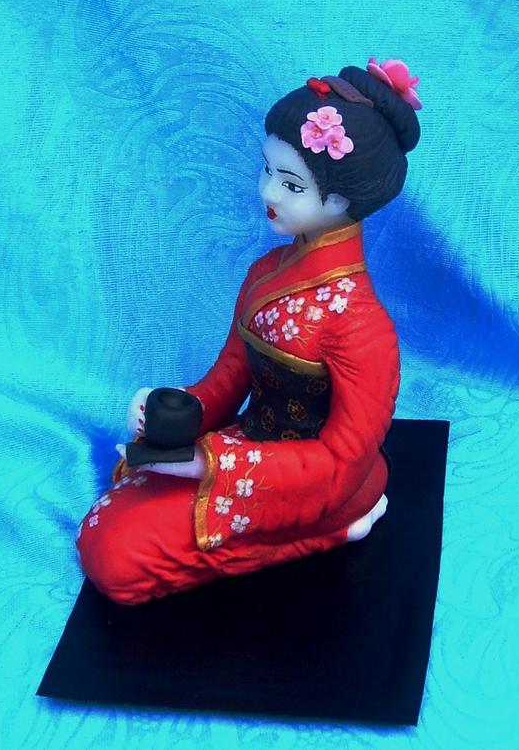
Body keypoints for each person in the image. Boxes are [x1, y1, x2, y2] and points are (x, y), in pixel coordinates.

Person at [76, 59, 421, 605]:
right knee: (111, 512)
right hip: (251, 448)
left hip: (317, 484)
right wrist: (176, 412)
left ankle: (332, 531)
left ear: (343, 201)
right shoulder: (264, 273)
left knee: (115, 559)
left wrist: (211, 464)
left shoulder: (361, 325)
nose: (269, 193)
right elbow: (232, 374)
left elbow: (340, 463)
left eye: (291, 184)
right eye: (267, 171)